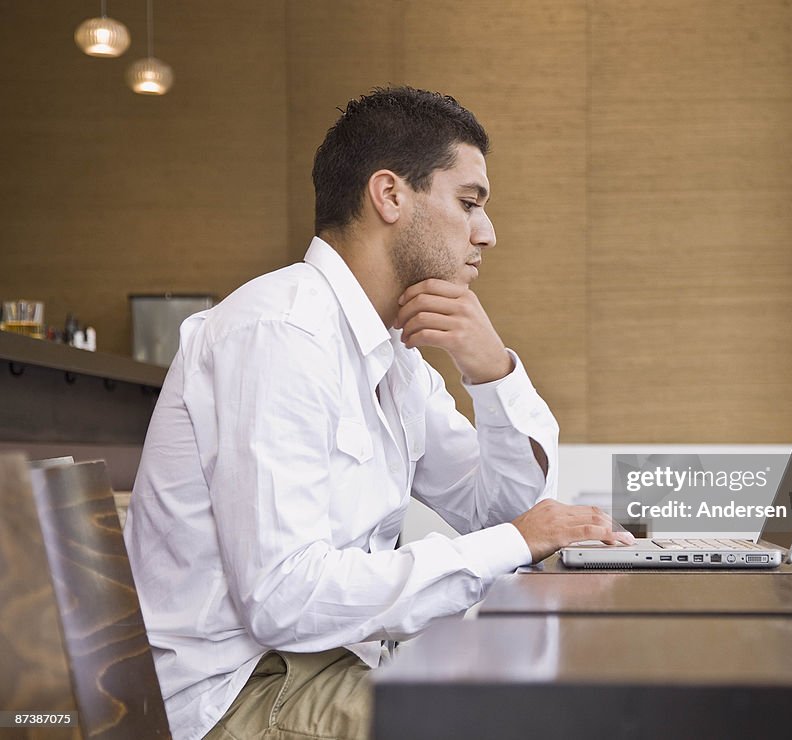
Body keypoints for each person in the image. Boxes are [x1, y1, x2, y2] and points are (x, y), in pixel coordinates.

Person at [124, 86, 633, 740]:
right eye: (469, 202)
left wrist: (491, 372)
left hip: (321, 666)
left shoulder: (394, 355)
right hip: (237, 692)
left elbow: (502, 510)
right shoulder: (282, 335)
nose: (488, 233)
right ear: (389, 195)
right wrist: (516, 540)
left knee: (551, 698)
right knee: (528, 720)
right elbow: (284, 599)